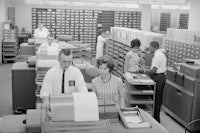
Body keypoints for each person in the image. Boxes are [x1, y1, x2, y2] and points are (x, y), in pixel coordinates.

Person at [140, 41, 167, 123]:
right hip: (160, 77)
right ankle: (155, 117)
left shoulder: (157, 56)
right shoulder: (160, 54)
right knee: (156, 98)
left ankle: (156, 120)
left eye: (150, 47)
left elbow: (154, 70)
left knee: (156, 99)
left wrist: (144, 71)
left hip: (158, 78)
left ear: (153, 47)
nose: (149, 48)